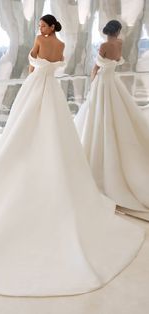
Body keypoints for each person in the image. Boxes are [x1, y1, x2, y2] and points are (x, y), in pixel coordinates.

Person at [0, 15, 144, 296]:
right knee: (56, 130)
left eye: (43, 26)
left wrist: (35, 60)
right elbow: (57, 65)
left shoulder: (41, 41)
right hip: (53, 92)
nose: (40, 29)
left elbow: (32, 64)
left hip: (35, 87)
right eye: (40, 27)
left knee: (22, 127)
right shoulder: (60, 45)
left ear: (50, 27)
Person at [74, 20, 149, 221]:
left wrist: (92, 83)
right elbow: (115, 62)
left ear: (106, 31)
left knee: (98, 116)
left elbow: (95, 68)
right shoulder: (120, 43)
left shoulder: (105, 46)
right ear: (118, 31)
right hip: (114, 83)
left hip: (102, 84)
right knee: (117, 115)